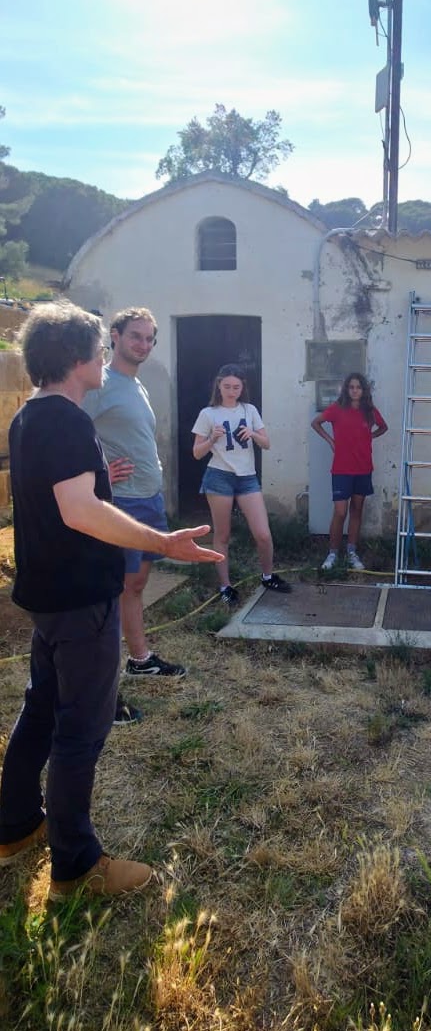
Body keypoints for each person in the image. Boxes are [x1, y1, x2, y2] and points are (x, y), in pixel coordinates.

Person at [0, 304, 222, 900]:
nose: (104, 359)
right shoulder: (68, 422)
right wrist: (161, 542)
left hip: (49, 596)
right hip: (80, 598)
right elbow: (82, 511)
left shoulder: (30, 418)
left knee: (42, 709)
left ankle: (15, 825)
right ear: (77, 359)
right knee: (81, 728)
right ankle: (75, 865)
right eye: (98, 350)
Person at [83, 307, 186, 685]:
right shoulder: (102, 382)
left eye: (148, 339)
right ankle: (101, 675)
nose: (143, 344)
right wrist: (98, 474)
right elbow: (73, 428)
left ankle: (140, 660)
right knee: (116, 586)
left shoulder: (136, 384)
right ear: (115, 335)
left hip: (149, 498)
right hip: (121, 501)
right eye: (135, 336)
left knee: (137, 584)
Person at [192, 364, 291, 600]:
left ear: (242, 387)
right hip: (219, 477)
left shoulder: (249, 410)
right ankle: (225, 587)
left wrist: (253, 434)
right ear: (219, 385)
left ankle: (268, 576)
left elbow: (266, 444)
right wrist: (211, 439)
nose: (231, 391)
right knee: (223, 535)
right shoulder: (208, 413)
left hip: (247, 478)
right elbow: (197, 453)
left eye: (236, 387)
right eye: (227, 386)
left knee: (263, 534)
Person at [311, 373, 388, 571]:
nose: (355, 390)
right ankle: (333, 553)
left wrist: (370, 436)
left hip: (363, 468)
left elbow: (383, 427)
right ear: (347, 389)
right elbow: (316, 423)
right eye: (351, 387)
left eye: (358, 387)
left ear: (363, 391)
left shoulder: (369, 411)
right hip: (341, 469)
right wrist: (331, 441)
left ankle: (352, 551)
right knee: (340, 512)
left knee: (356, 510)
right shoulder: (337, 409)